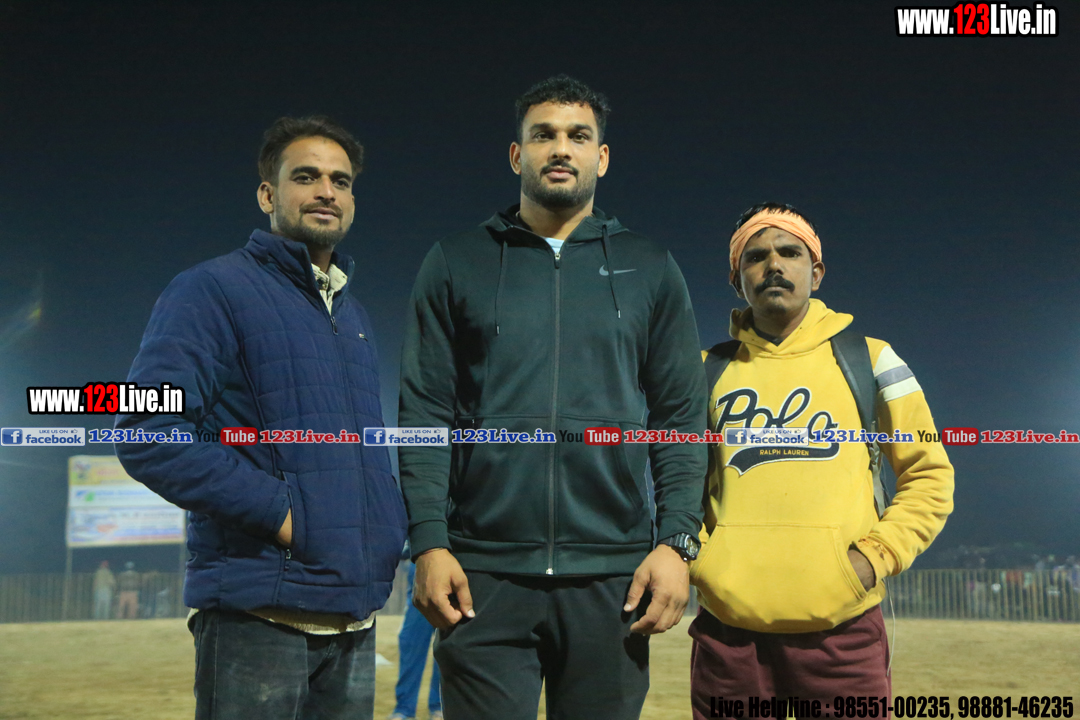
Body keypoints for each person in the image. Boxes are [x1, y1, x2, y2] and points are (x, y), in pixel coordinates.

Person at [398, 75, 707, 720]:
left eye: (578, 136)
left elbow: (680, 418)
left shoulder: (651, 266)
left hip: (613, 578)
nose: (560, 148)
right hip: (481, 575)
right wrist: (428, 542)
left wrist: (677, 541)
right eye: (543, 135)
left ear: (602, 156)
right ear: (518, 155)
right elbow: (424, 414)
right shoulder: (456, 261)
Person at [115, 115, 407, 720]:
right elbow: (146, 432)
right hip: (258, 619)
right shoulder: (211, 290)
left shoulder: (352, 314)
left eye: (341, 181)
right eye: (306, 177)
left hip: (354, 618)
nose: (326, 191)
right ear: (267, 195)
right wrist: (285, 515)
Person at [689, 203, 955, 716]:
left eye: (790, 252)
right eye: (755, 256)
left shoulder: (872, 360)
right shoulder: (703, 371)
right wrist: (704, 563)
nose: (774, 265)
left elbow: (929, 474)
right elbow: (675, 482)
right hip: (729, 635)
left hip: (843, 633)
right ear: (736, 279)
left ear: (816, 272)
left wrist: (872, 559)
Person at [389, 548, 443, 720]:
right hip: (420, 566)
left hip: (454, 565)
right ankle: (404, 708)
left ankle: (439, 706)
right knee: (411, 643)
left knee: (445, 648)